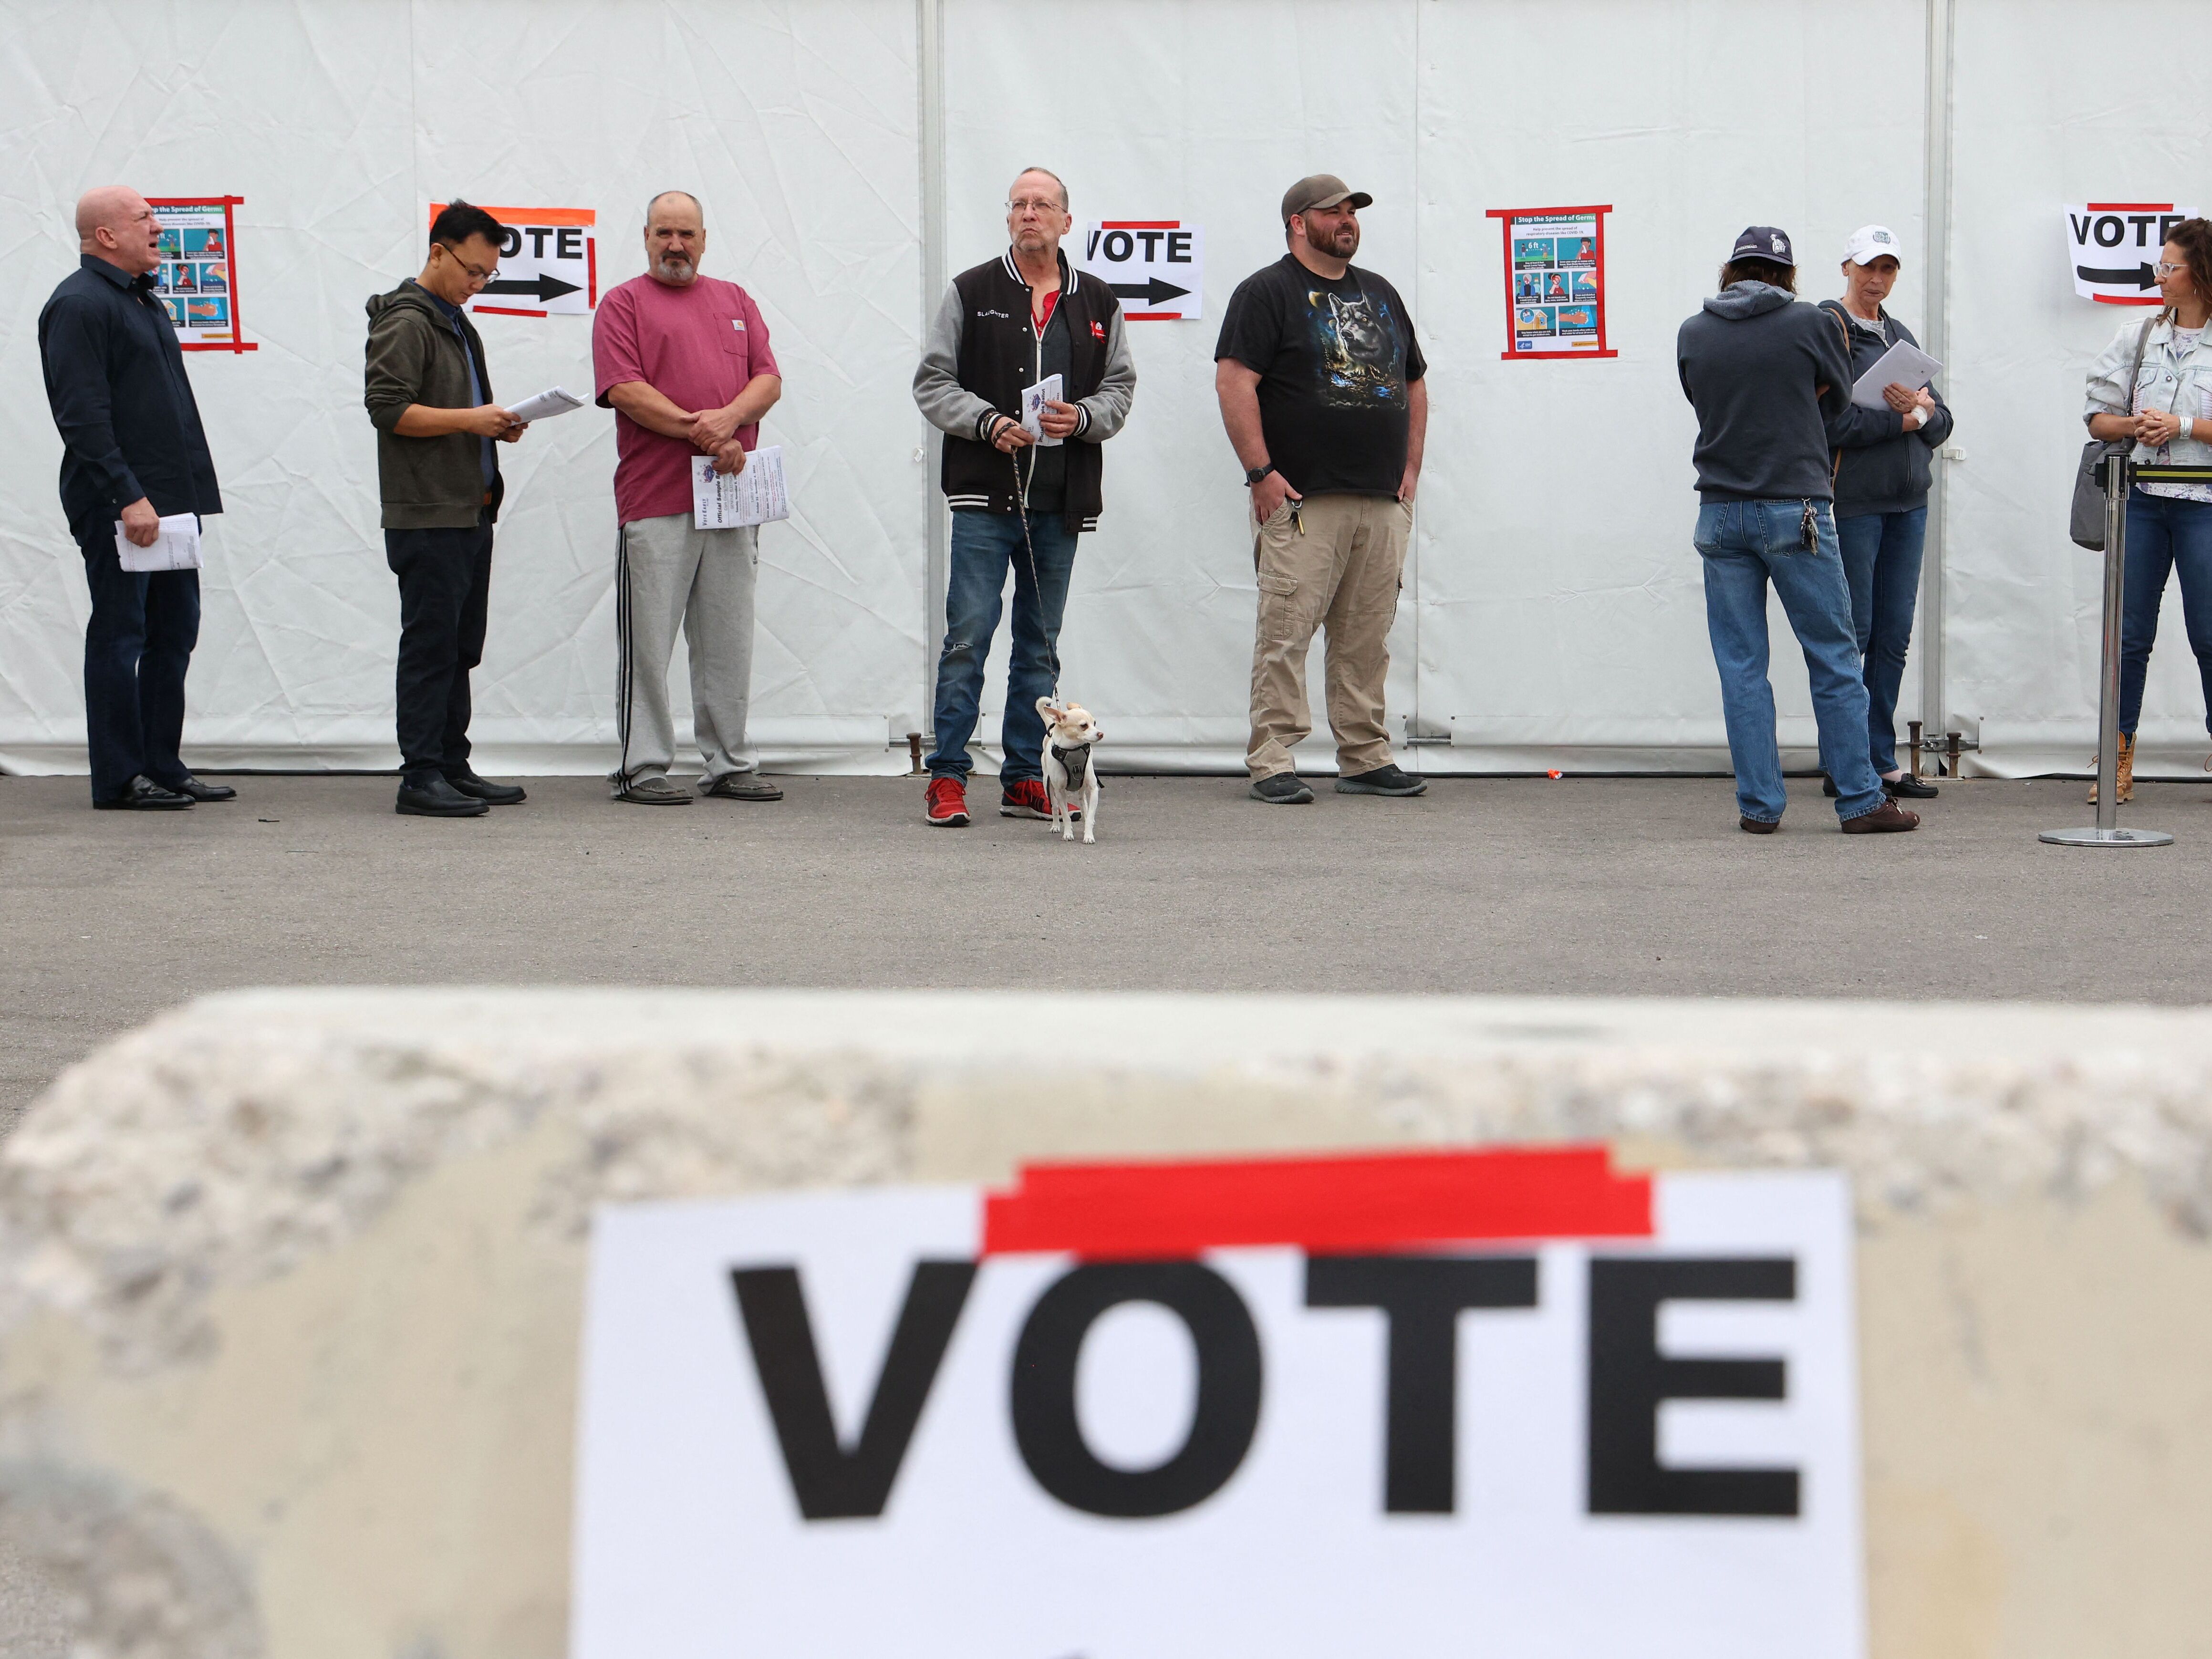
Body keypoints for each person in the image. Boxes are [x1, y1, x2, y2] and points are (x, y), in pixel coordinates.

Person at [1675, 225, 1919, 834]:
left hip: (1720, 511)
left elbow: (1701, 401)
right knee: (1833, 656)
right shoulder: (1810, 322)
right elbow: (1839, 406)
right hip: (1795, 508)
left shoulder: (1693, 332)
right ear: (1786, 275)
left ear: (1731, 270)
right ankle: (1861, 801)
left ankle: (1758, 808)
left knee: (1740, 667)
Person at [912, 167, 1136, 828]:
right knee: (967, 640)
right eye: (1019, 204)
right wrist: (985, 420)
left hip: (1060, 502)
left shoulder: (1098, 301)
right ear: (1008, 218)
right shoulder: (970, 290)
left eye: (1043, 205)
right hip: (985, 497)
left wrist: (1086, 418)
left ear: (1068, 221)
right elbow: (931, 382)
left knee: (1038, 646)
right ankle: (947, 777)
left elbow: (1120, 389)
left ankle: (1022, 778)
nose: (1029, 213)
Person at [1214, 173, 1429, 804]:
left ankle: (1364, 755)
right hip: (1302, 500)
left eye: (1352, 212)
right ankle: (1273, 757)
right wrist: (1260, 474)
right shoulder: (1266, 292)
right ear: (1297, 223)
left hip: (1381, 500)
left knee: (1367, 636)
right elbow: (1234, 382)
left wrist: (1410, 471)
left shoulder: (1382, 294)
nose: (1347, 221)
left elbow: (1414, 383)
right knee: (1286, 634)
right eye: (1332, 212)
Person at [38, 186, 230, 810]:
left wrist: (183, 497)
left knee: (175, 631)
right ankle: (120, 777)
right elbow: (82, 416)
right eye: (144, 217)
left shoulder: (145, 301)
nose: (158, 225)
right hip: (123, 505)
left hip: (171, 502)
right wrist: (127, 497)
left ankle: (161, 764)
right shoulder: (78, 304)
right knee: (123, 633)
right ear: (106, 236)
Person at [593, 190, 785, 807]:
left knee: (729, 639)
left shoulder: (736, 301)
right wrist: (706, 433)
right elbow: (624, 389)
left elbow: (768, 380)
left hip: (733, 497)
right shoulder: (622, 304)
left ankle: (729, 762)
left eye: (687, 234)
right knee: (648, 642)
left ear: (704, 239)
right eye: (664, 233)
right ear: (646, 236)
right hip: (656, 498)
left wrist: (728, 421)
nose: (675, 245)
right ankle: (642, 766)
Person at [363, 199, 531, 818]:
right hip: (428, 512)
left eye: (488, 274)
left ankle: (451, 763)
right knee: (431, 644)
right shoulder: (406, 322)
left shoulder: (454, 320)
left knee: (461, 646)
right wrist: (472, 419)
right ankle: (421, 775)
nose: (478, 283)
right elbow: (387, 409)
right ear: (438, 251)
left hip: (468, 509)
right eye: (473, 270)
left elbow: (450, 411)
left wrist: (490, 428)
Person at [1819, 224, 1952, 803]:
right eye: (1868, 267)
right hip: (1854, 504)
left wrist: (1921, 416)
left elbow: (1942, 424)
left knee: (1893, 636)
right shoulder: (1830, 332)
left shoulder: (1899, 336)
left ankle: (1877, 756)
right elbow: (1829, 424)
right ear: (1845, 266)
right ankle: (1846, 761)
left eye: (1888, 269)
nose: (1877, 279)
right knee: (1856, 631)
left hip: (1907, 503)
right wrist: (1902, 420)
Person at [2083, 216, 2212, 804]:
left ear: (2199, 273)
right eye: (2159, 265)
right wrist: (2137, 425)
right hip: (2138, 501)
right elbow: (2096, 417)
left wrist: (2182, 424)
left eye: (2169, 266)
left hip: (2203, 505)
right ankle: (2115, 757)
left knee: (2208, 634)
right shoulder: (2137, 335)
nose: (2158, 275)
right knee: (2126, 635)